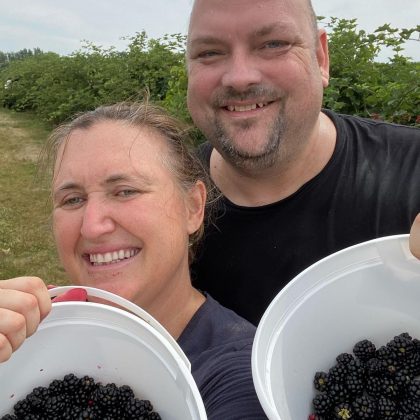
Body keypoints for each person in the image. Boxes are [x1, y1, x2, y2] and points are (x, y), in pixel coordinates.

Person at [0, 101, 267, 419]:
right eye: (73, 199)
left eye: (125, 191)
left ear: (193, 208)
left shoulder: (242, 378)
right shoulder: (36, 330)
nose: (92, 226)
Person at [186, 0, 420, 325]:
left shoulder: (413, 171)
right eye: (209, 52)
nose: (239, 78)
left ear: (321, 58)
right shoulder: (159, 204)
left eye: (273, 44)